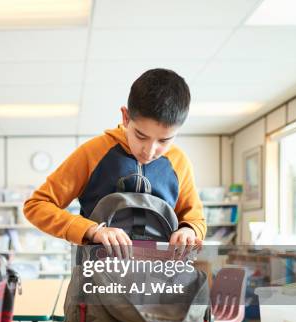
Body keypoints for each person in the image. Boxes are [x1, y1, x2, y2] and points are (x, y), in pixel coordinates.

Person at [23, 68, 206, 252]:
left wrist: (189, 230)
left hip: (160, 276)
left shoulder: (179, 162)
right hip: (98, 275)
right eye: (141, 136)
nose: (150, 151)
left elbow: (195, 219)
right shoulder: (93, 153)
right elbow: (36, 206)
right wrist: (91, 230)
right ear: (126, 117)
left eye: (164, 140)